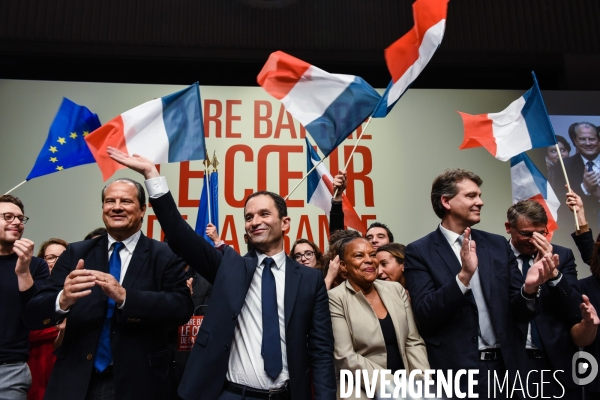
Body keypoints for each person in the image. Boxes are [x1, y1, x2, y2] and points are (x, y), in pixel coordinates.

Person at [107, 148, 336, 400]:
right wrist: (152, 174)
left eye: (264, 214)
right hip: (231, 394)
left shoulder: (309, 279)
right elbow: (179, 235)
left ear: (285, 223)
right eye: (248, 217)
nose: (255, 221)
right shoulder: (230, 266)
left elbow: (321, 349)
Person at [23, 178, 194, 400]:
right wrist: (62, 299)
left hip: (140, 383)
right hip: (76, 380)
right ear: (103, 208)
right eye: (109, 201)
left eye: (125, 201)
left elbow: (181, 308)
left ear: (143, 209)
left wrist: (126, 297)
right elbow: (33, 315)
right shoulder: (76, 253)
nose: (116, 207)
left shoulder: (164, 255)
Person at [404, 168, 559, 398]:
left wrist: (529, 288)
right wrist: (463, 277)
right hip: (456, 372)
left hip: (507, 369)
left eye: (479, 195)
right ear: (445, 201)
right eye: (471, 196)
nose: (481, 202)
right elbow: (426, 314)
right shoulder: (419, 251)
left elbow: (519, 313)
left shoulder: (496, 245)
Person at [328, 236, 429, 398]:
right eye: (359, 256)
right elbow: (345, 356)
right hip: (361, 390)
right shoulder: (335, 298)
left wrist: (422, 384)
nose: (369, 260)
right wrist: (395, 388)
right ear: (343, 267)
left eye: (372, 254)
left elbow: (413, 342)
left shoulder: (395, 289)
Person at [504, 200, 584, 398]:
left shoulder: (562, 256)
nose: (534, 240)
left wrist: (554, 274)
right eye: (526, 234)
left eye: (541, 233)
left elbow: (575, 310)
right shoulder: (495, 256)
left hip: (556, 363)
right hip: (512, 364)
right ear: (509, 228)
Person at [0, 195, 49, 400]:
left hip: (10, 369)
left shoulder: (36, 265)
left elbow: (38, 316)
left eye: (21, 219)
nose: (17, 222)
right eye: (8, 216)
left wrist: (23, 272)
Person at [27, 238, 68, 400]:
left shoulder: (80, 291)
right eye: (50, 257)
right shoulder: (30, 289)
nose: (56, 262)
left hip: (66, 363)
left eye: (62, 257)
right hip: (36, 359)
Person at [551, 122, 600, 233]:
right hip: (578, 231)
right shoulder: (563, 165)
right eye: (582, 139)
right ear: (575, 141)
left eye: (592, 139)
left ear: (598, 140)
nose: (588, 143)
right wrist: (584, 188)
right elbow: (556, 201)